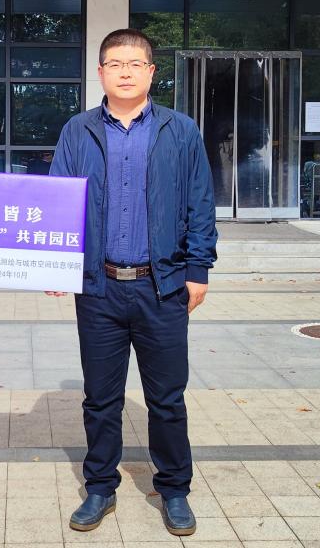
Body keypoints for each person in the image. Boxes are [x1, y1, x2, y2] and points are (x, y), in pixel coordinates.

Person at [47, 28, 217, 537]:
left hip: (161, 286)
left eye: (135, 63)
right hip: (98, 287)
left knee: (167, 398)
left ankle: (174, 489)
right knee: (101, 398)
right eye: (115, 64)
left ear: (151, 72)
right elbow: (58, 199)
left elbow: (200, 202)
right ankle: (100, 486)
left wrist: (198, 270)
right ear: (100, 72)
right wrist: (54, 263)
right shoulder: (77, 130)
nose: (125, 72)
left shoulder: (179, 130)